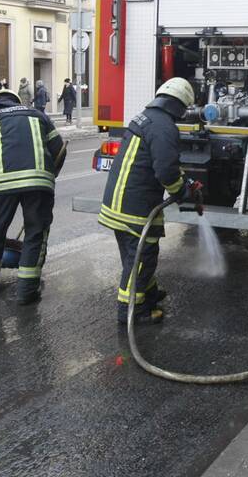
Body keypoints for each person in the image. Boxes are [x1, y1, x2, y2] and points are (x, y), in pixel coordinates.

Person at [99, 78, 199, 325]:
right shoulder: (164, 126)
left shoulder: (145, 118)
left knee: (135, 255)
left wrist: (184, 182)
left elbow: (158, 162)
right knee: (142, 257)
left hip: (119, 202)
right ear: (180, 106)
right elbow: (165, 171)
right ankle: (132, 310)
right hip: (135, 208)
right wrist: (181, 192)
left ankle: (148, 293)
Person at [0, 88, 66, 304]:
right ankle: (26, 292)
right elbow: (59, 149)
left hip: (2, 186)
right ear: (16, 101)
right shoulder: (39, 116)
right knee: (35, 234)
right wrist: (49, 174)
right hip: (39, 183)